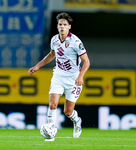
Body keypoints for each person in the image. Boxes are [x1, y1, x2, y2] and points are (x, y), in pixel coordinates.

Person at [28, 12, 90, 141]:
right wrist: (37, 66)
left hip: (73, 79)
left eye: (65, 25)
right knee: (53, 105)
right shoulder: (55, 40)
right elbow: (51, 55)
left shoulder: (75, 42)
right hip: (58, 76)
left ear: (69, 27)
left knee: (68, 112)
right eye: (60, 24)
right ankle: (50, 135)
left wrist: (80, 76)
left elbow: (87, 61)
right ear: (57, 26)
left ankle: (77, 121)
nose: (62, 27)